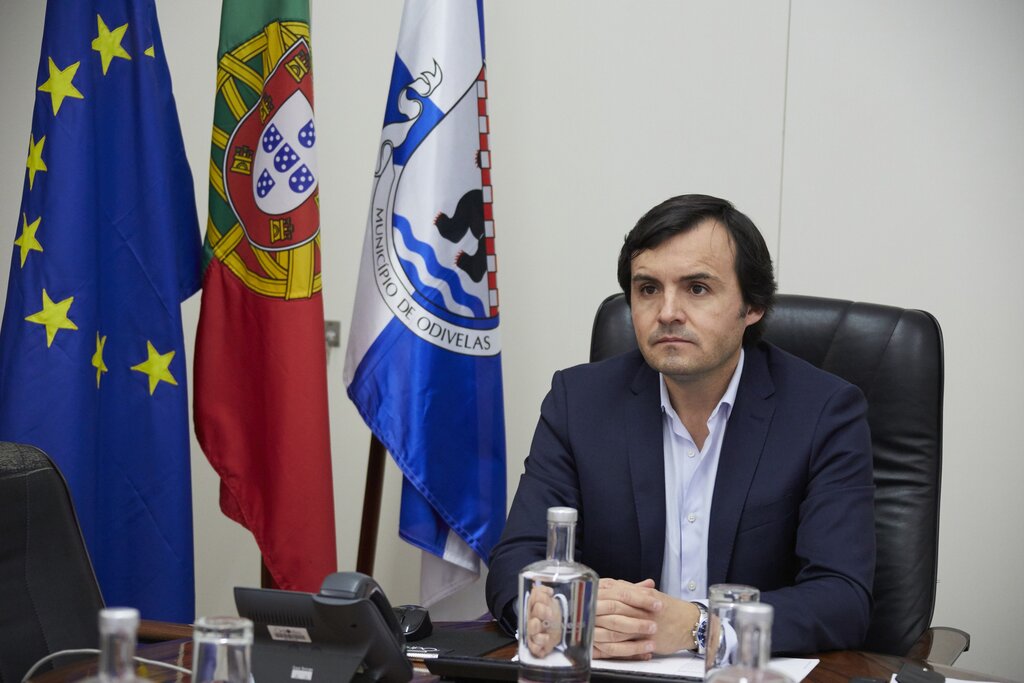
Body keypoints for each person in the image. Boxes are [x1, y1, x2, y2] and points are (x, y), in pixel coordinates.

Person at [485, 194, 875, 658]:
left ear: (752, 306)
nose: (667, 311)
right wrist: (555, 611)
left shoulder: (823, 412)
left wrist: (702, 626)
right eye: (648, 289)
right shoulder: (579, 402)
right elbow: (517, 559)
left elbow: (841, 598)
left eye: (697, 288)